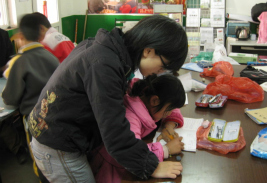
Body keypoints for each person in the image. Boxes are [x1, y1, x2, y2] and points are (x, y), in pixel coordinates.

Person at [28, 14, 188, 182]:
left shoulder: (113, 52)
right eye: (163, 67)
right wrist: (151, 166)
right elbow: (115, 133)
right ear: (149, 50)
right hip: (58, 145)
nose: (161, 73)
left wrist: (169, 118)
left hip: (62, 136)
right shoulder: (105, 65)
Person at [90, 74, 186, 183]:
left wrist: (169, 124)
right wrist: (166, 149)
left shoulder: (145, 90)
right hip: (112, 168)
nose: (168, 113)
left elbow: (173, 107)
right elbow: (131, 153)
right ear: (155, 101)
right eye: (168, 110)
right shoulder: (130, 118)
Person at [1, 13, 59, 164]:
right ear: (40, 33)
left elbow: (10, 99)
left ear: (20, 36)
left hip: (34, 120)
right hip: (55, 116)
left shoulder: (19, 62)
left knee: (39, 158)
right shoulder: (50, 56)